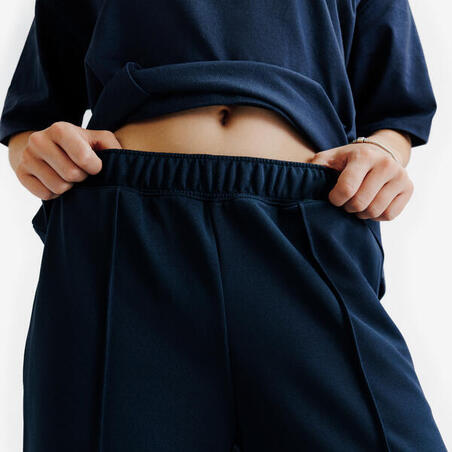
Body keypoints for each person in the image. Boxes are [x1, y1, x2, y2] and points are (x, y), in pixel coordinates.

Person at [0, 0, 447, 451]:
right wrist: (38, 153)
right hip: (125, 232)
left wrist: (383, 154)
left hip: (307, 222)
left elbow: (394, 112)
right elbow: (32, 117)